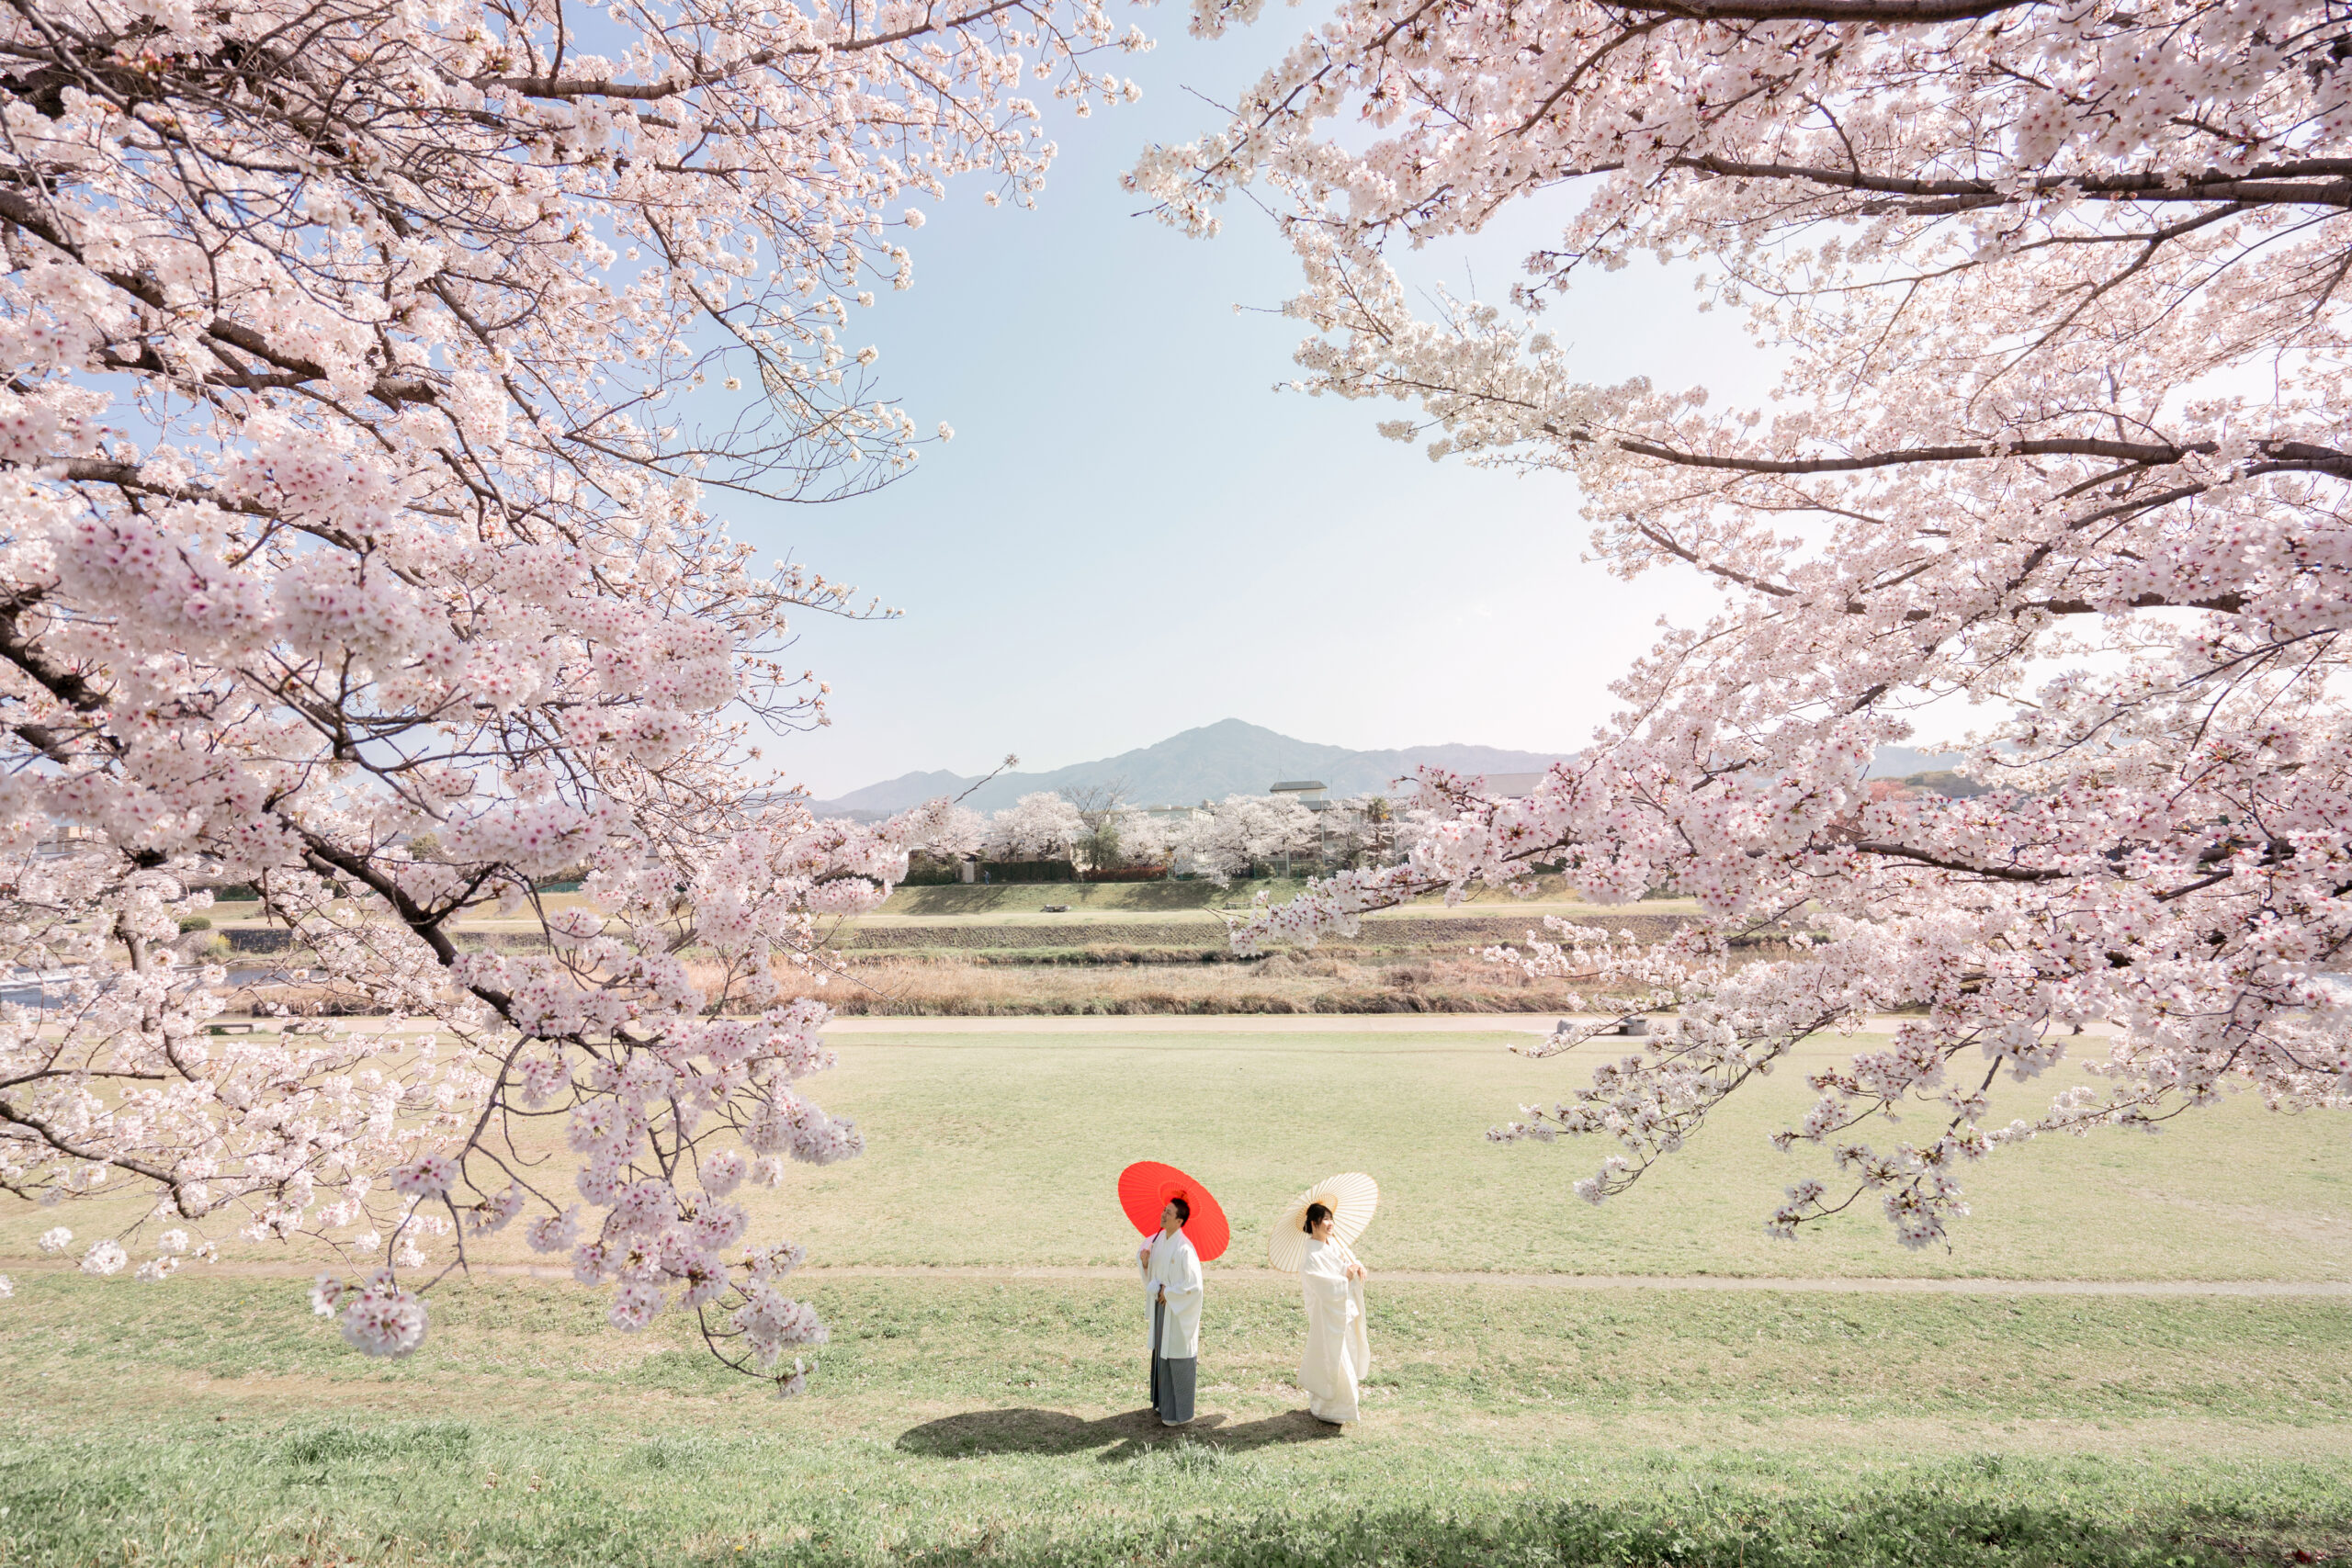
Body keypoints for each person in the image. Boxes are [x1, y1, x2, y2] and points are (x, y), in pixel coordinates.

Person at [1297, 1201, 1371, 1425]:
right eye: (1326, 1219)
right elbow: (1321, 1284)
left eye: (1331, 1219)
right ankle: (1328, 1408)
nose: (1330, 1224)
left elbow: (1348, 1261)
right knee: (1332, 1356)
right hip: (1326, 1313)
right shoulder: (1311, 1254)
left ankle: (1344, 1405)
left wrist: (1357, 1266)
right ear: (1314, 1223)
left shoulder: (1334, 1243)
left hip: (1344, 1309)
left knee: (1347, 1352)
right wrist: (1345, 1277)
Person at [1136, 1197, 1203, 1427]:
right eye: (1164, 1210)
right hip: (1161, 1307)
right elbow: (1152, 1273)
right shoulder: (1158, 1241)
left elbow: (1194, 1287)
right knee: (1161, 1353)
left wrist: (1170, 1292)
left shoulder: (1185, 1249)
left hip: (1176, 1310)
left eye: (1169, 1213)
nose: (1163, 1215)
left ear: (1180, 1220)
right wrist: (1146, 1263)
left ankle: (1179, 1413)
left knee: (1176, 1354)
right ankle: (1162, 1405)